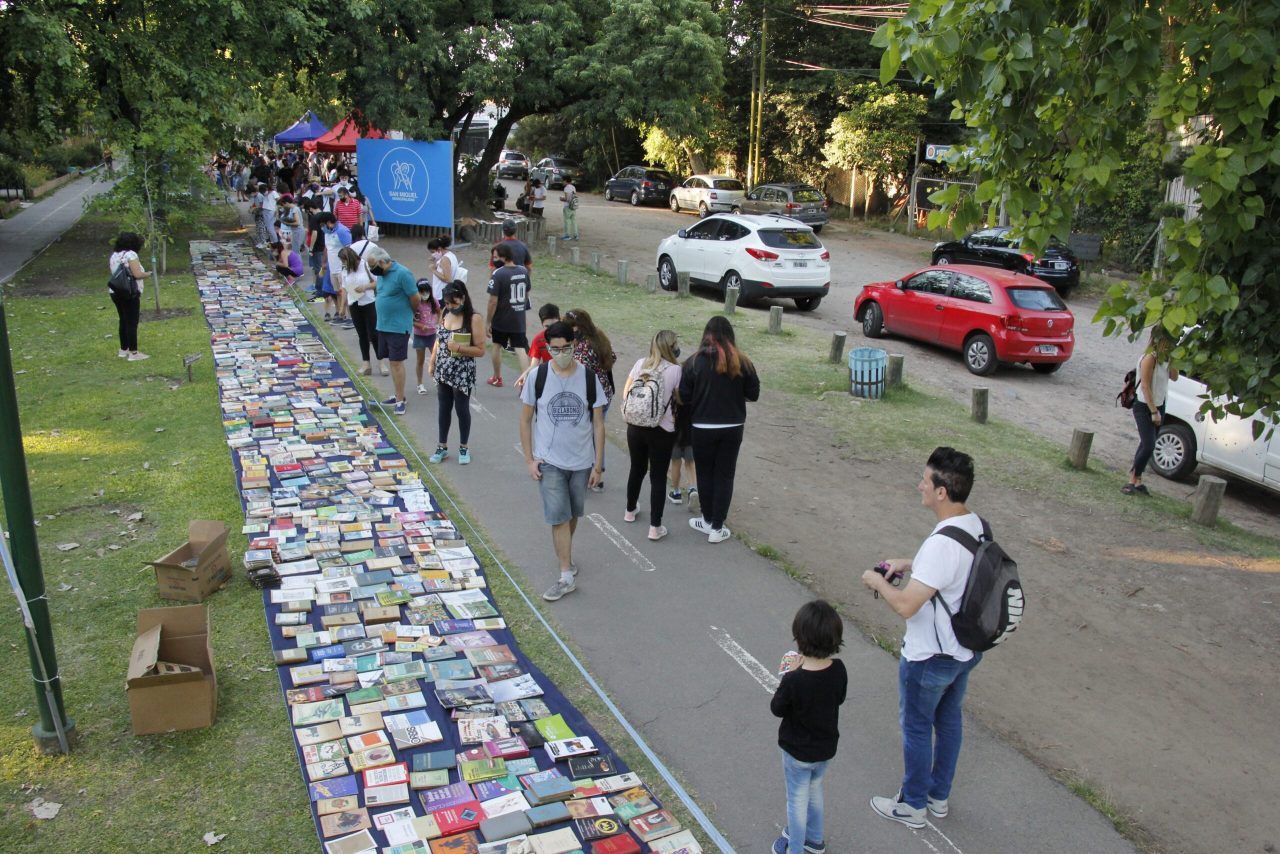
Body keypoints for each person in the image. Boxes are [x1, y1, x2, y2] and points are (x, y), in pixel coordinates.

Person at [860, 447, 984, 830]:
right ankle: (938, 797)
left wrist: (877, 580)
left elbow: (907, 606)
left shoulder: (939, 543)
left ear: (942, 491)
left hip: (929, 655)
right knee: (948, 722)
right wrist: (908, 562)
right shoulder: (975, 525)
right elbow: (952, 570)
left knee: (915, 726)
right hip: (964, 650)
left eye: (925, 480)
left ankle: (912, 805)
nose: (919, 486)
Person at [519, 320, 607, 602]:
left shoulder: (589, 378)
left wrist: (598, 465)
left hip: (581, 462)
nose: (560, 353)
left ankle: (565, 557)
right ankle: (565, 574)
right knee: (558, 517)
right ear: (548, 348)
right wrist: (530, 460)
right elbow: (525, 419)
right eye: (555, 348)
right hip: (549, 461)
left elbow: (598, 424)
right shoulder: (538, 377)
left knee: (571, 515)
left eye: (566, 347)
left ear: (574, 346)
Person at [770, 600, 847, 854]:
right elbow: (840, 697)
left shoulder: (795, 679)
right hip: (825, 748)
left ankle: (794, 848)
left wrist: (788, 675)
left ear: (800, 637)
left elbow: (777, 708)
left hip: (797, 752)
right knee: (814, 791)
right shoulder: (839, 669)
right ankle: (814, 839)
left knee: (796, 801)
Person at [678, 316, 759, 542]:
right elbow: (754, 393)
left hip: (702, 426)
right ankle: (717, 526)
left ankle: (706, 519)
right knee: (724, 475)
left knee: (704, 473)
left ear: (705, 335)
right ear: (731, 336)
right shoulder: (743, 362)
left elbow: (683, 397)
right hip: (732, 426)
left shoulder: (694, 362)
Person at [622, 330, 683, 541]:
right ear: (670, 346)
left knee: (636, 469)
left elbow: (626, 391)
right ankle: (655, 527)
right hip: (662, 429)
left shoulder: (640, 364)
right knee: (658, 477)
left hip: (636, 425)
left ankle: (630, 510)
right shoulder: (675, 370)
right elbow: (680, 400)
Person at [429, 282, 487, 463]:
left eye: (454, 303)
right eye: (447, 303)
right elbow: (439, 341)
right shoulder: (445, 313)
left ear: (462, 298)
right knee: (443, 408)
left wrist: (460, 348)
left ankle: (464, 447)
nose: (450, 307)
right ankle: (442, 446)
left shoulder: (473, 318)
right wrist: (432, 362)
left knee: (462, 409)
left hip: (462, 371)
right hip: (443, 369)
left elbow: (480, 350)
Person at [563, 308, 615, 490]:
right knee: (597, 432)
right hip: (606, 391)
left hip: (590, 395)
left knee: (589, 434)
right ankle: (598, 471)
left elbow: (578, 369)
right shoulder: (600, 337)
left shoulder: (583, 347)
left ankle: (593, 475)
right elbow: (613, 357)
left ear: (577, 327)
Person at [1124, 328, 1180, 496]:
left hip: (1159, 403)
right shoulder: (1150, 358)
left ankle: (1137, 480)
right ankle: (1133, 478)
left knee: (1147, 442)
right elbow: (1145, 386)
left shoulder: (1165, 359)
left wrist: (1174, 359)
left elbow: (1175, 377)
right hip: (1144, 405)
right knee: (1149, 444)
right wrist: (1153, 411)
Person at [368, 245, 419, 415]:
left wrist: (411, 314)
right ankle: (399, 394)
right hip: (383, 324)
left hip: (398, 325)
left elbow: (415, 297)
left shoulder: (403, 273)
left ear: (383, 261)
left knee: (397, 362)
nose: (372, 270)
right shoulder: (382, 275)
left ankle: (400, 400)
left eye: (373, 266)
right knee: (392, 361)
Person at [485, 243, 532, 387]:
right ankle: (526, 381)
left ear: (504, 257)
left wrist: (488, 321)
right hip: (518, 318)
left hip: (501, 318)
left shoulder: (498, 274)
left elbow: (493, 301)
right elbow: (527, 291)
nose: (494, 260)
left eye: (496, 257)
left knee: (497, 345)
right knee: (520, 348)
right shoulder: (523, 271)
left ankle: (497, 377)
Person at [108, 232, 149, 361]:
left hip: (116, 291)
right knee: (132, 321)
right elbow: (137, 274)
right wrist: (147, 274)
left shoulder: (114, 255)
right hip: (129, 292)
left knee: (123, 320)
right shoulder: (131, 255)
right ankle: (134, 352)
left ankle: (123, 349)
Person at [514, 303, 560, 390]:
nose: (552, 329)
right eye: (547, 326)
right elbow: (534, 365)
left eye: (554, 325)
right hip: (550, 380)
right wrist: (526, 373)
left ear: (559, 319)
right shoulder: (538, 340)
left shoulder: (569, 336)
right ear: (542, 324)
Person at [316, 211, 351, 321]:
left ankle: (346, 315)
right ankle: (341, 313)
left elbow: (349, 250)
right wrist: (324, 262)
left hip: (342, 268)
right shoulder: (327, 232)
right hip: (332, 268)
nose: (322, 228)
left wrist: (347, 267)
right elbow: (327, 248)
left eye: (322, 225)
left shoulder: (342, 231)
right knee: (337, 292)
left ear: (328, 222)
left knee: (345, 292)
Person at [413, 278, 440, 396]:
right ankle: (420, 384)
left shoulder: (433, 301)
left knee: (437, 359)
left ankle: (438, 379)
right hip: (419, 335)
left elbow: (439, 311)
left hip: (432, 335)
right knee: (420, 360)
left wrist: (438, 322)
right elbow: (411, 320)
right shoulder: (415, 303)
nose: (424, 294)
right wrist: (421, 326)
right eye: (421, 291)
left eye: (426, 291)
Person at [428, 236, 459, 302]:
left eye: (433, 252)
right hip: (443, 294)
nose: (432, 254)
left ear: (439, 249)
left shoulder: (445, 259)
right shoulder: (451, 255)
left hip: (442, 295)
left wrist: (433, 270)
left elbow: (448, 279)